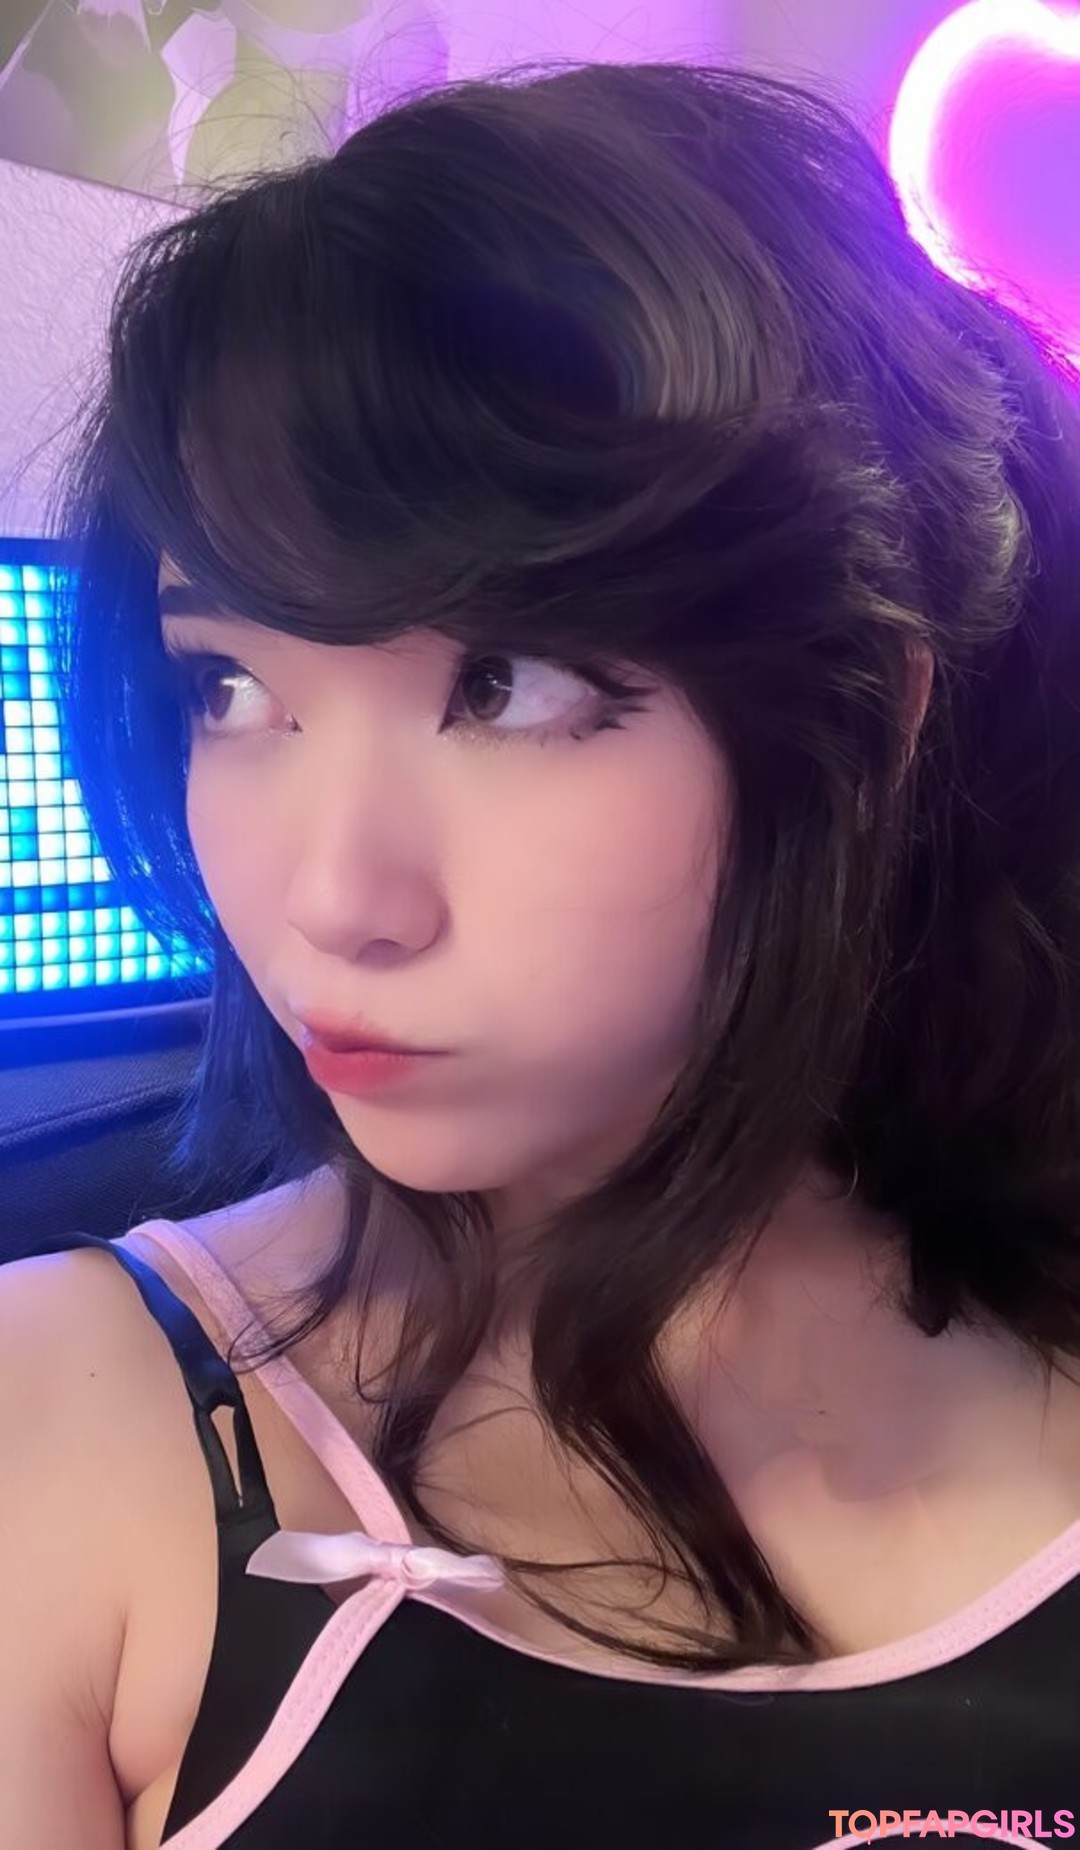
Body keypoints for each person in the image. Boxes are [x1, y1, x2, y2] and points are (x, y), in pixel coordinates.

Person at [3, 56, 1080, 1850]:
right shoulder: (56, 1428)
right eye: (232, 685)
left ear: (868, 719)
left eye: (503, 685)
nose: (333, 897)